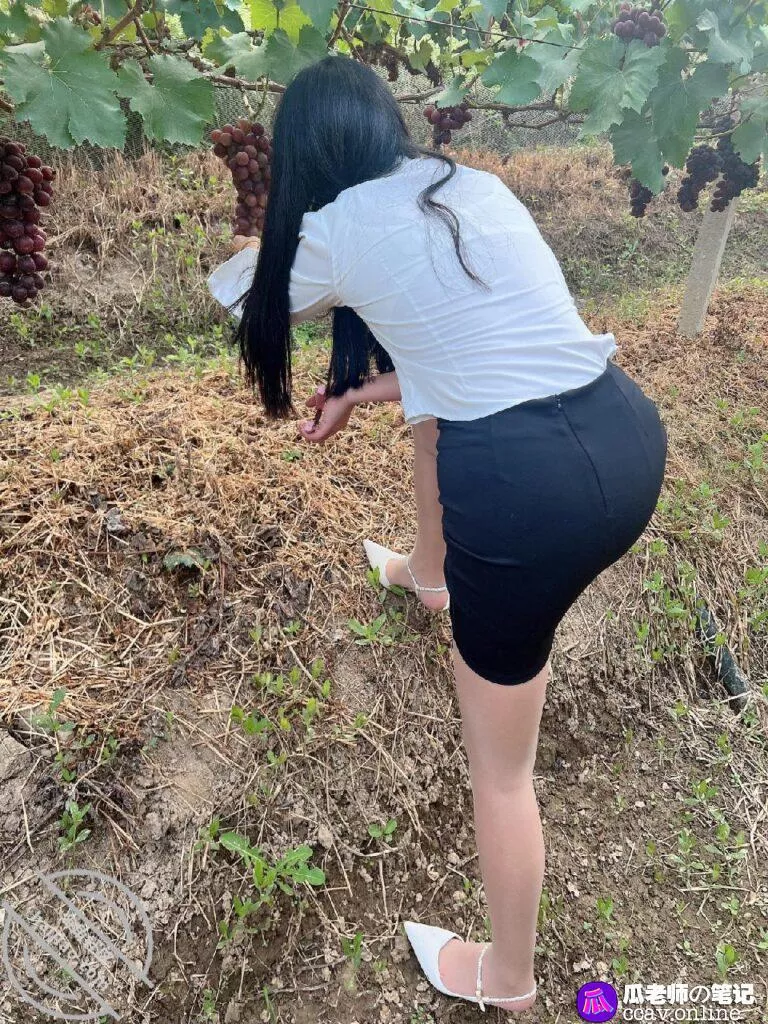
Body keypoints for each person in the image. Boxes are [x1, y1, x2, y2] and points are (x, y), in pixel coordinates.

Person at [208, 55, 668, 1014]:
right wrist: (361, 392)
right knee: (436, 425)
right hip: (624, 435)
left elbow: (239, 294)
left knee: (501, 775)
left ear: (305, 153)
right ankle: (430, 575)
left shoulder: (335, 229)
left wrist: (268, 218)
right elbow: (464, 345)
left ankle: (509, 978)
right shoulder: (470, 186)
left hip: (523, 494)